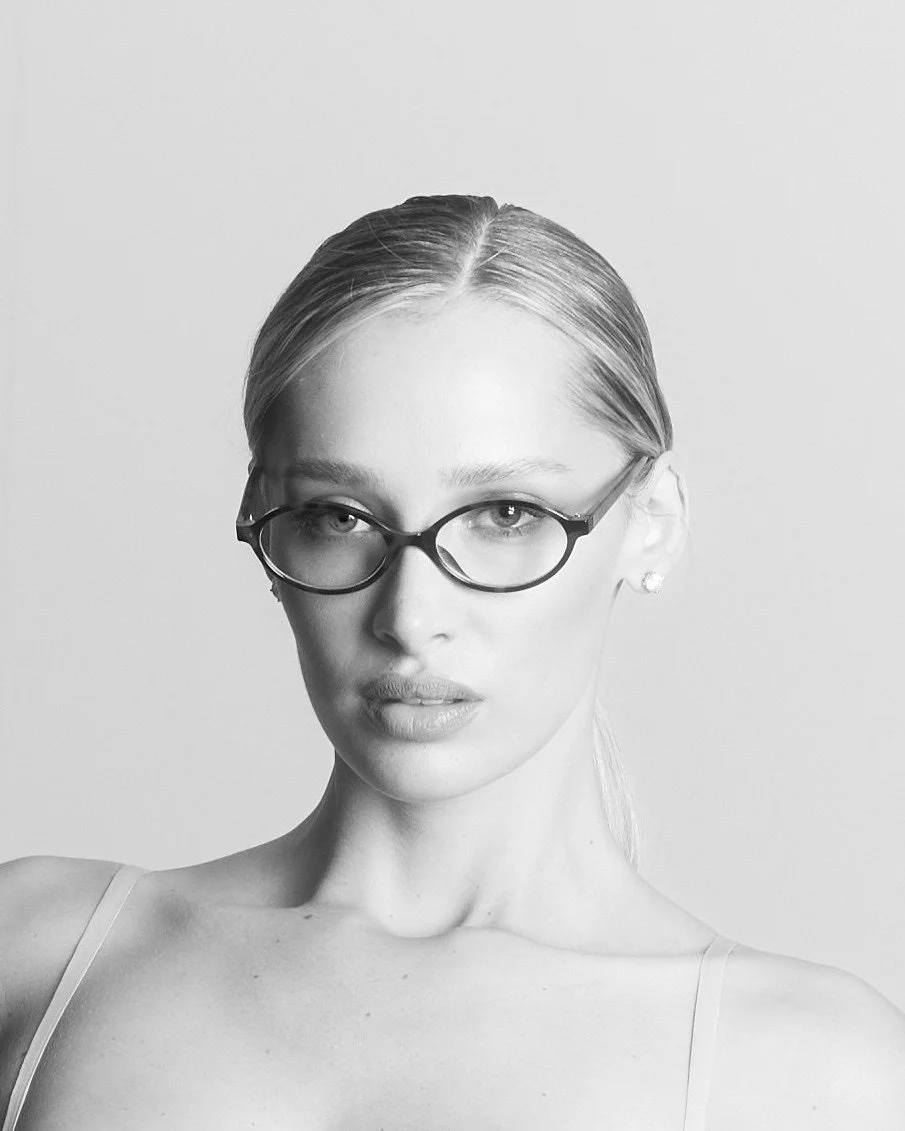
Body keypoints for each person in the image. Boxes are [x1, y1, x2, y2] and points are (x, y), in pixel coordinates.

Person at [1, 194, 903, 1129]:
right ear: (263, 520)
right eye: (339, 517)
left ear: (650, 522)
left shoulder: (808, 1072)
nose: (410, 614)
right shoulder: (44, 955)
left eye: (506, 514)